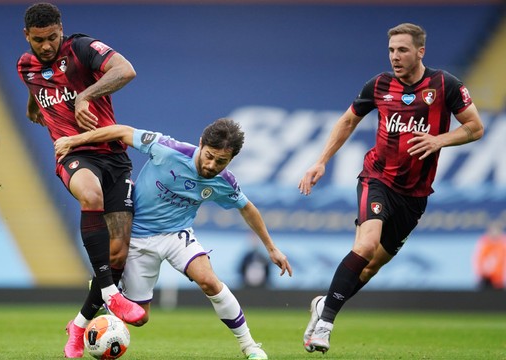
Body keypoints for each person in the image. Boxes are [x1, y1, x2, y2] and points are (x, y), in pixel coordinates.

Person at [298, 23, 484, 353]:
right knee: (366, 245)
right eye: (391, 50)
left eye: (402, 50)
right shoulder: (379, 85)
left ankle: (323, 305)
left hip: (415, 196)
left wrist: (439, 139)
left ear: (420, 52)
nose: (395, 57)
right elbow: (348, 121)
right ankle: (325, 325)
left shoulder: (445, 85)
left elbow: (475, 128)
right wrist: (321, 161)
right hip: (377, 178)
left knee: (370, 267)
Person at [55, 118, 293, 360]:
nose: (211, 165)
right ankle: (103, 296)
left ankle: (250, 346)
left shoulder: (225, 182)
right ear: (201, 144)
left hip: (177, 236)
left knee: (209, 282)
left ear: (231, 160)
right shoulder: (167, 148)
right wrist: (74, 140)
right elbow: (122, 131)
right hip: (137, 238)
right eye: (209, 155)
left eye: (221, 161)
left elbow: (248, 208)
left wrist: (271, 248)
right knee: (140, 318)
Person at [16, 3, 145, 357]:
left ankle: (77, 325)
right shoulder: (24, 66)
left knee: (117, 254)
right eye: (39, 40)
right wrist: (35, 111)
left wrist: (85, 96)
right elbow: (35, 91)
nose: (46, 46)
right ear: (27, 36)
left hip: (114, 156)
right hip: (73, 154)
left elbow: (127, 70)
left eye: (52, 37)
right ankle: (112, 296)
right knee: (90, 194)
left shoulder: (82, 48)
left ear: (62, 29)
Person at [473, 221, 506, 290]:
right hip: (486, 280)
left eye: (497, 230)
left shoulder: (502, 245)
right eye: (493, 230)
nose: (495, 233)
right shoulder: (484, 244)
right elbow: (479, 261)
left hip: (499, 280)